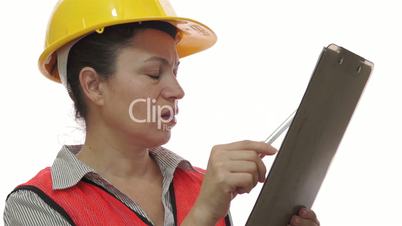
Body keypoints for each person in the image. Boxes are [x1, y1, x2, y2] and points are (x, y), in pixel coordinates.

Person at [3, 0, 320, 225]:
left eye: (175, 72)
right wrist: (202, 215)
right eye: (155, 74)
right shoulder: (37, 206)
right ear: (94, 85)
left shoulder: (200, 184)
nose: (176, 91)